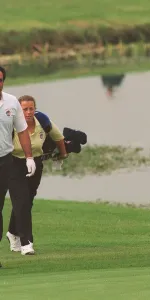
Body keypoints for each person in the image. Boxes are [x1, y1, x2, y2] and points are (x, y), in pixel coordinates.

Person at [5, 95, 67, 256]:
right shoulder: (11, 122)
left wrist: (62, 155)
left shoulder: (42, 121)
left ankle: (12, 232)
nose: (28, 112)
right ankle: (26, 243)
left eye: (31, 108)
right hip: (13, 164)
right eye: (24, 109)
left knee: (27, 200)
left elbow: (58, 138)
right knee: (22, 202)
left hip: (35, 163)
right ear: (18, 109)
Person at [0, 66, 36, 267]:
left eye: (0, 79)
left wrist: (29, 157)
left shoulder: (12, 102)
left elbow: (22, 131)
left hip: (5, 160)